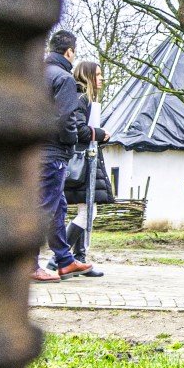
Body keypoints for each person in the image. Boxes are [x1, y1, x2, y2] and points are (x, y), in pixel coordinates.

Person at [33, 29, 95, 282]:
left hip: (35, 150)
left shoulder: (35, 74)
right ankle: (30, 265)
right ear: (69, 52)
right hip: (54, 151)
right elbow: (67, 117)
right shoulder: (64, 78)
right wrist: (70, 141)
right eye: (74, 52)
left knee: (58, 205)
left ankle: (65, 260)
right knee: (45, 207)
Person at [64, 59, 114, 276]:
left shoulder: (85, 98)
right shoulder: (81, 97)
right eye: (98, 75)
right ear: (87, 76)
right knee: (87, 213)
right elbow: (79, 130)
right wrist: (100, 134)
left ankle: (79, 258)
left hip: (88, 160)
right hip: (82, 162)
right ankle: (62, 258)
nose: (101, 78)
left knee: (87, 211)